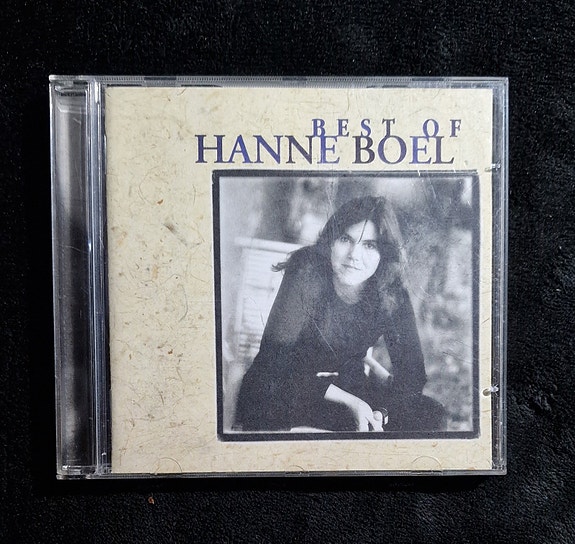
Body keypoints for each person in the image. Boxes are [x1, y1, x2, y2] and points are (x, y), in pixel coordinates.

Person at [235, 195, 445, 433]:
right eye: (346, 239)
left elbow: (412, 374)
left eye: (370, 245)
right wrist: (351, 402)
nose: (354, 255)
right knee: (269, 394)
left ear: (383, 254)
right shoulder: (307, 268)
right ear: (331, 241)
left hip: (347, 387)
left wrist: (382, 413)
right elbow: (273, 360)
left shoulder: (391, 288)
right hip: (283, 387)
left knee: (431, 413)